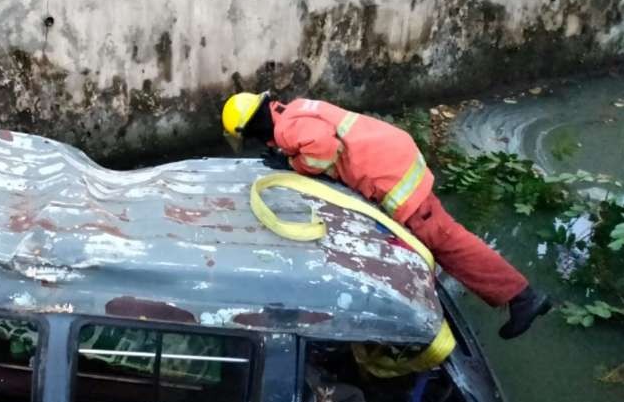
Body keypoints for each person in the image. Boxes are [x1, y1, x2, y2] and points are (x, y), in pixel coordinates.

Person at [222, 92, 551, 339]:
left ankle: (521, 297)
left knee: (445, 241)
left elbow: (323, 149)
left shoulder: (285, 130)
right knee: (427, 242)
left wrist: (293, 165)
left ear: (252, 128)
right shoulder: (295, 109)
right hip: (397, 157)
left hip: (391, 176)